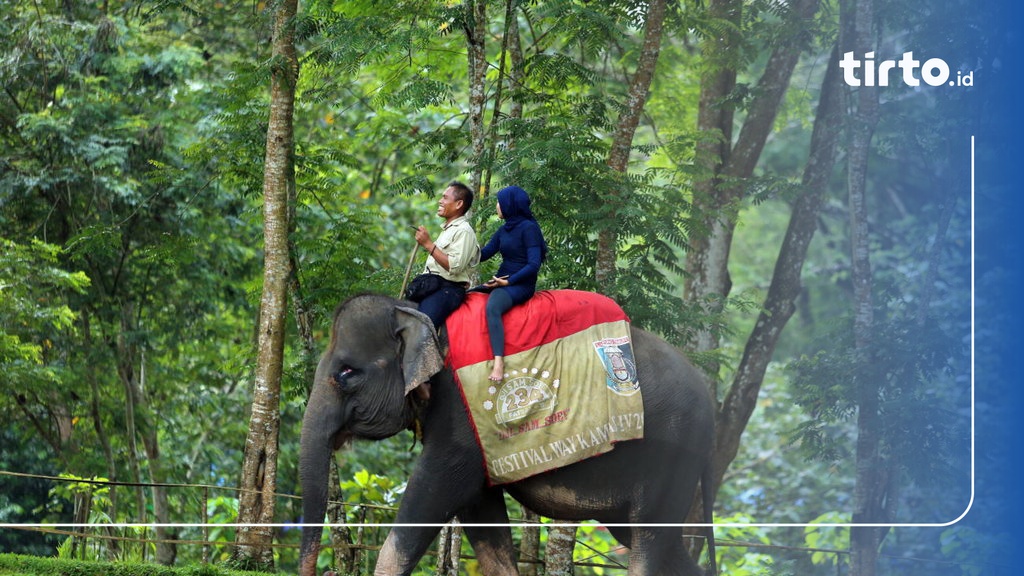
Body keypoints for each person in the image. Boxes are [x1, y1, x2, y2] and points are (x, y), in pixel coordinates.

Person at [478, 185, 548, 381]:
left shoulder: (529, 228)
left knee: (492, 307)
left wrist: (508, 283)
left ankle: (499, 362)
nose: (497, 206)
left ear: (510, 205)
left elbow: (533, 264)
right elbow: (483, 255)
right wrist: (452, 247)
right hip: (502, 280)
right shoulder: (503, 230)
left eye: (499, 202)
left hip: (520, 283)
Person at [413, 181, 480, 329]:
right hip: (432, 285)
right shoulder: (448, 230)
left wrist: (428, 244)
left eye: (445, 197)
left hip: (448, 290)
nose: (440, 201)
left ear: (458, 204)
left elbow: (454, 266)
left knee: (422, 328)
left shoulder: (464, 231)